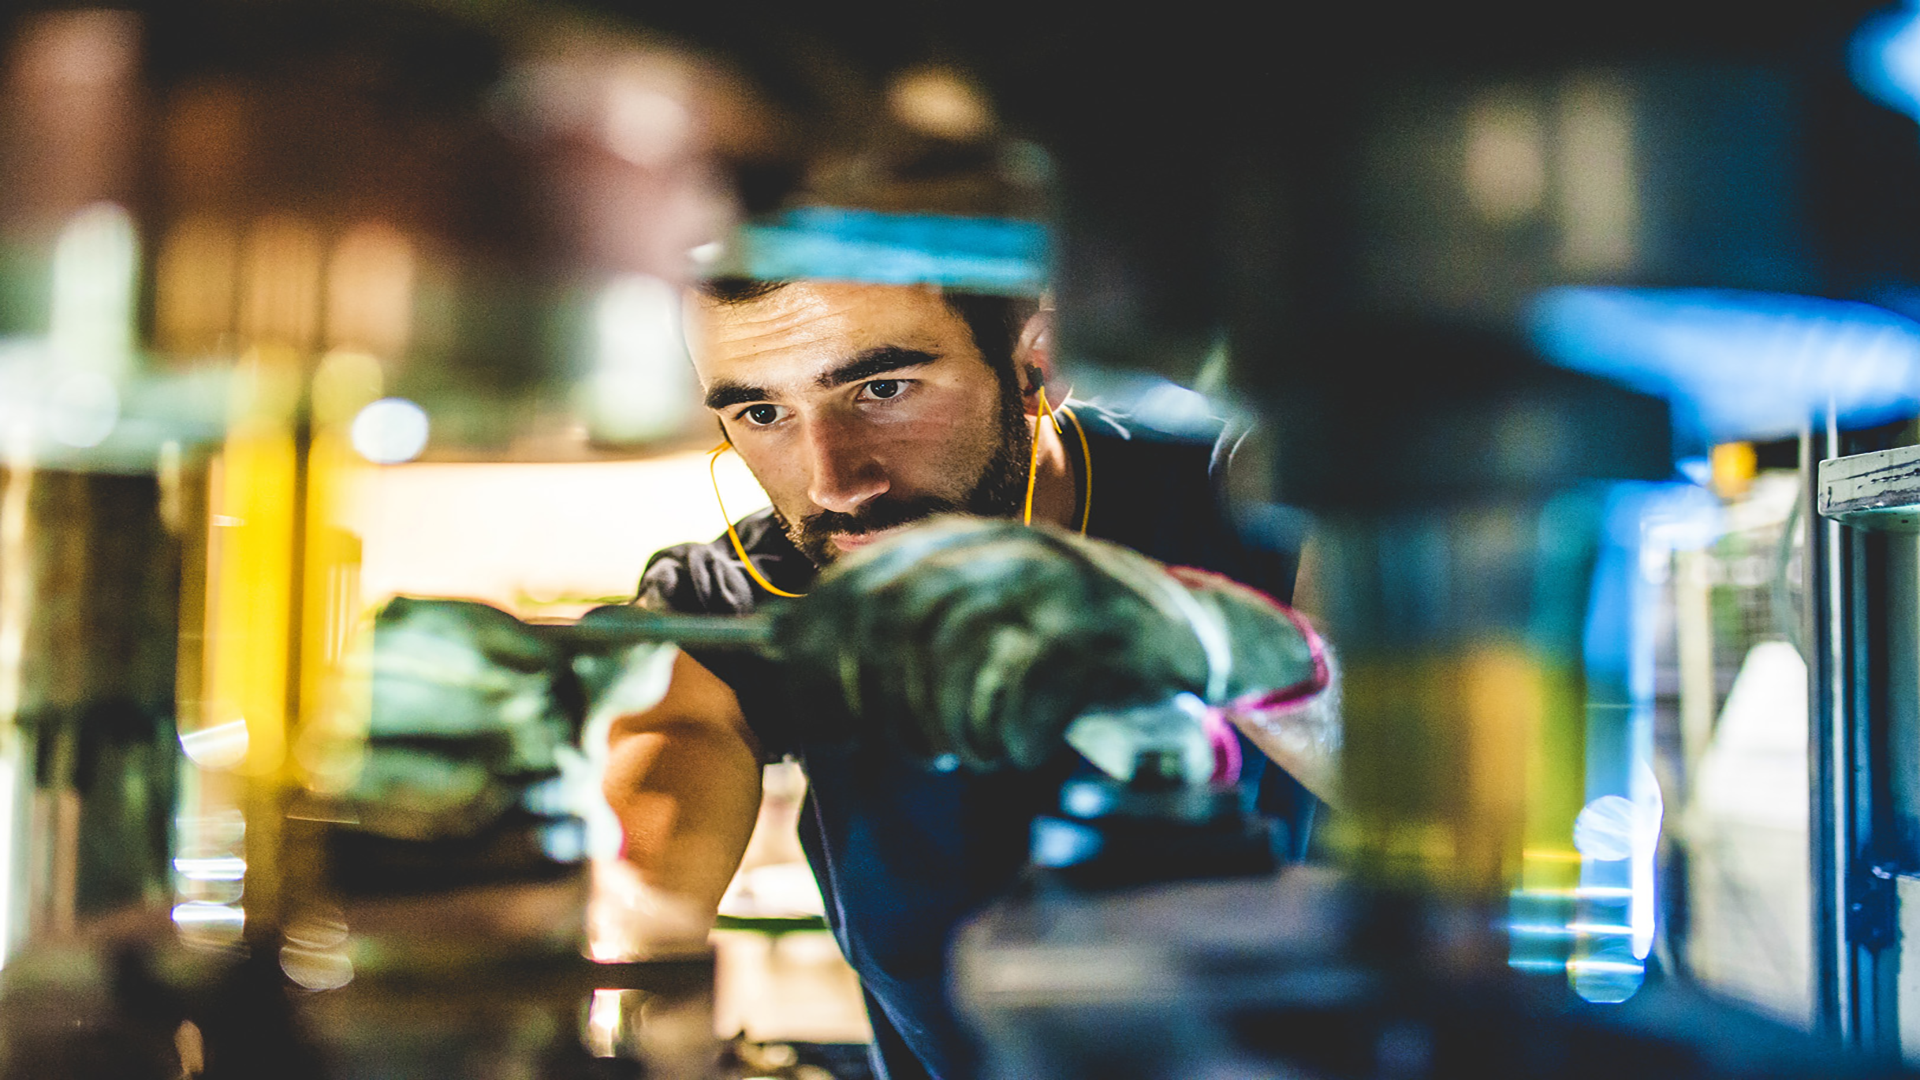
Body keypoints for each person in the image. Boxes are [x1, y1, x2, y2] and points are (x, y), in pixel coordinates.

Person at [604, 277, 1334, 1080]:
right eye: (763, 413)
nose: (833, 484)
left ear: (1035, 365)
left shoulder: (1258, 499)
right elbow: (651, 811)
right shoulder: (758, 595)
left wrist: (1238, 649)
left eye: (882, 388)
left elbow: (1442, 776)